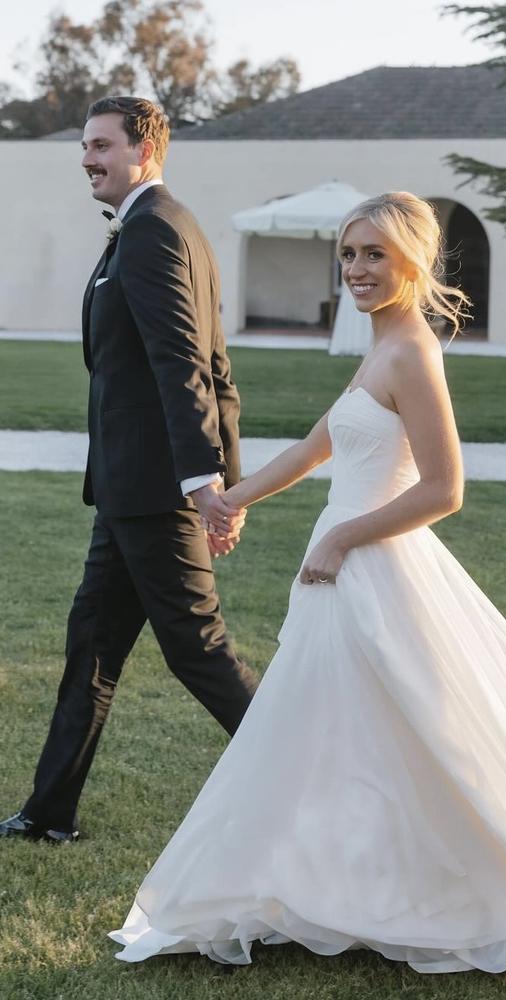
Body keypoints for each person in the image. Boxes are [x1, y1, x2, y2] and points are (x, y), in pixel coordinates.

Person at [110, 192, 506, 977]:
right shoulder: (379, 347)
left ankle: (442, 884)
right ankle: (339, 883)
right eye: (351, 255)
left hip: (378, 569)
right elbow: (311, 451)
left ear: (413, 261)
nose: (359, 270)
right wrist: (227, 500)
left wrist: (341, 536)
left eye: (375, 256)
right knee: (337, 738)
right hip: (341, 573)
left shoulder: (413, 353)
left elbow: (445, 488)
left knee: (433, 739)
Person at [0, 96, 257, 845]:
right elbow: (216, 370)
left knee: (198, 652)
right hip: (128, 494)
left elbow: (190, 366)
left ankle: (320, 778)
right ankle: (49, 813)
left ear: (145, 151)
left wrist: (209, 484)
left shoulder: (155, 232)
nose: (86, 157)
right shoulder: (157, 228)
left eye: (101, 145)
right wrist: (219, 480)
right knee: (93, 644)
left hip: (155, 494)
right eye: (83, 145)